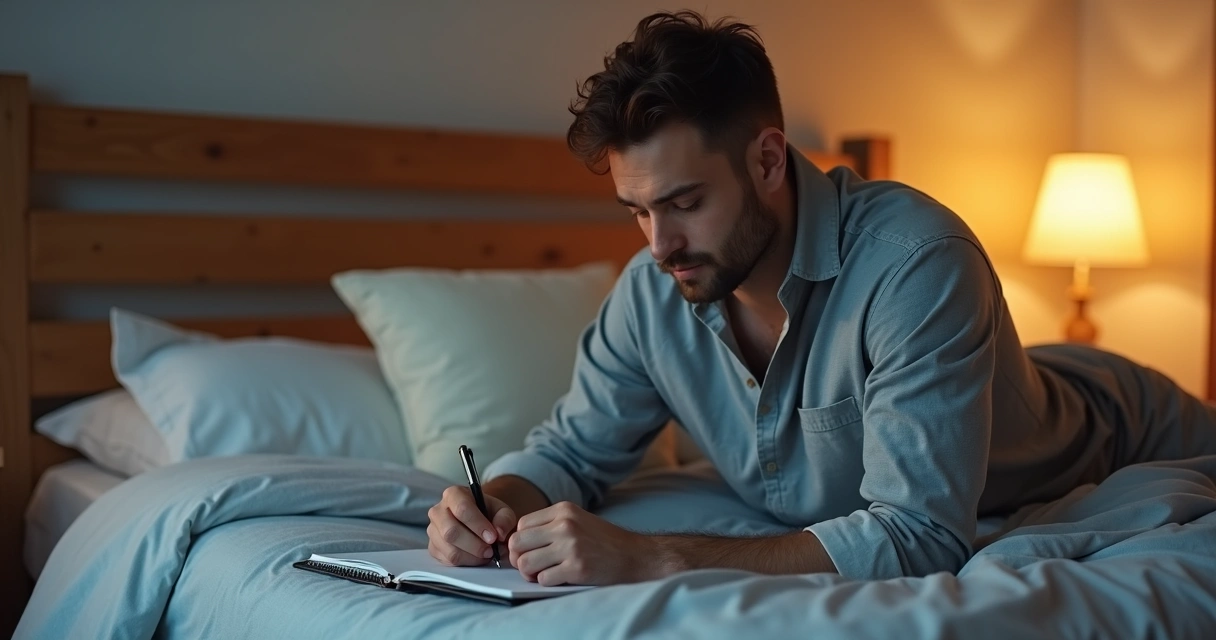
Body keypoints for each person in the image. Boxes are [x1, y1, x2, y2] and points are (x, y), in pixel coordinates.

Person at [426, 9, 1216, 586]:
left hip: (1139, 435)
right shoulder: (651, 295)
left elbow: (919, 535)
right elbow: (570, 454)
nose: (657, 244)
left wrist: (655, 556)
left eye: (685, 202)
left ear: (768, 161)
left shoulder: (917, 261)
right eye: (638, 210)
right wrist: (490, 499)